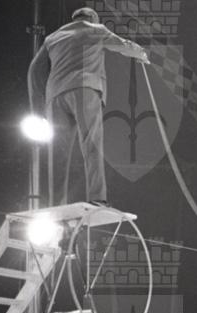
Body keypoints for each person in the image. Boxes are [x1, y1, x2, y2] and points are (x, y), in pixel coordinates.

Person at [27, 7, 149, 207]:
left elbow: (33, 71)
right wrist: (141, 53)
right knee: (91, 144)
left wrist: (37, 109)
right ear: (92, 18)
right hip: (84, 89)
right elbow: (122, 45)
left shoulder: (52, 38)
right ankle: (97, 198)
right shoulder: (95, 29)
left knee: (58, 154)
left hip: (55, 97)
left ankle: (55, 204)